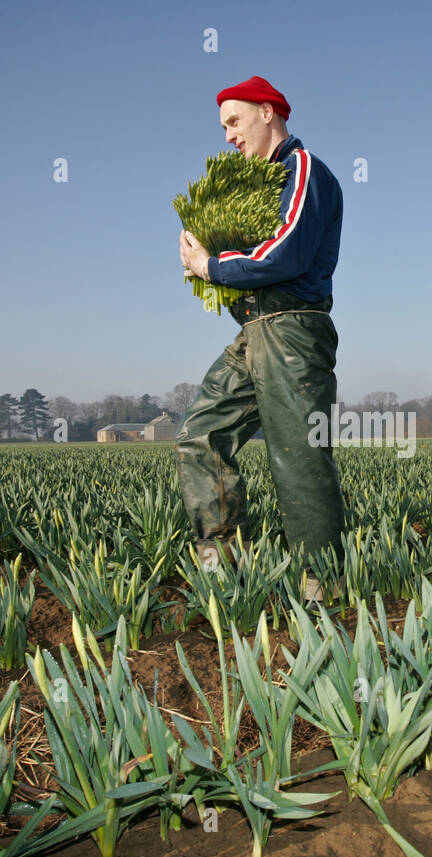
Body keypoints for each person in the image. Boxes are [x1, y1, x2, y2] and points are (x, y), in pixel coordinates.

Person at [175, 76, 345, 600]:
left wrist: (211, 265)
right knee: (200, 434)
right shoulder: (258, 185)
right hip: (255, 331)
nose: (227, 135)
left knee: (298, 452)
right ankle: (222, 564)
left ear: (268, 112)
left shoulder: (304, 170)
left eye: (234, 121)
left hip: (292, 329)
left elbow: (287, 252)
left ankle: (324, 587)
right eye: (223, 125)